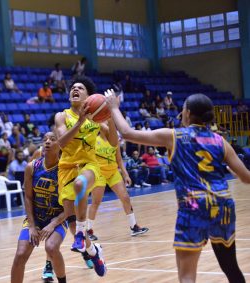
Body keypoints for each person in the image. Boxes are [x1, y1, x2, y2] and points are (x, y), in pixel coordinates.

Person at [106, 91, 249, 283]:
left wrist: (114, 108)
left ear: (188, 113)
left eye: (182, 110)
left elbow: (127, 133)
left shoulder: (174, 136)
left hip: (193, 206)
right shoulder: (219, 141)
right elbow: (246, 177)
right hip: (222, 204)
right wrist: (234, 172)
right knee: (231, 268)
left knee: (187, 276)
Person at [54, 76, 107, 277]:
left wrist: (109, 113)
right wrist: (80, 122)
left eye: (80, 88)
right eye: (73, 88)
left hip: (88, 165)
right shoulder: (61, 116)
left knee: (80, 184)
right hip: (66, 168)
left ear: (88, 96)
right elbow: (62, 143)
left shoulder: (97, 118)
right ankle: (95, 252)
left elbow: (113, 140)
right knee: (73, 224)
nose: (75, 89)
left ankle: (80, 235)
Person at [11, 132, 68, 283]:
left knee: (51, 247)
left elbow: (71, 207)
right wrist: (31, 225)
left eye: (52, 139)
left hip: (58, 217)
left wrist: (53, 224)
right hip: (35, 218)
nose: (48, 142)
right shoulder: (32, 167)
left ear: (60, 145)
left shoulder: (66, 170)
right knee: (21, 253)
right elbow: (28, 197)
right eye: (45, 140)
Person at [87, 127, 149, 241]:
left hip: (113, 172)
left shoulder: (114, 141)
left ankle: (133, 226)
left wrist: (125, 175)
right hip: (99, 173)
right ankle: (88, 231)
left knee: (125, 197)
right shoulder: (94, 140)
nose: (107, 125)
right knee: (96, 202)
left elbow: (119, 160)